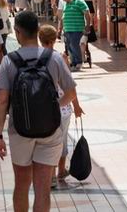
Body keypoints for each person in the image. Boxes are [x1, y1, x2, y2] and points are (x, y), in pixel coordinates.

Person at [0, 11, 77, 212]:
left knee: (22, 185)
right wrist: (53, 106)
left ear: (17, 32)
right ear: (37, 31)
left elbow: (2, 100)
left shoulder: (9, 61)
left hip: (19, 130)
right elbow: (71, 93)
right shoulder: (54, 58)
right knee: (43, 190)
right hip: (50, 130)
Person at [37, 25, 85, 189]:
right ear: (53, 40)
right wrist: (76, 106)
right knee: (61, 141)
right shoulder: (60, 58)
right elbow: (69, 86)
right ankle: (58, 172)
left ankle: (53, 173)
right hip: (61, 108)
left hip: (42, 107)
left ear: (40, 39)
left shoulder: (34, 58)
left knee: (47, 142)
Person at [58, 0, 91, 71]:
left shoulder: (79, 2)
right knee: (69, 47)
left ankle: (79, 62)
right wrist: (62, 28)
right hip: (68, 29)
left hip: (77, 29)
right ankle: (74, 63)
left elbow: (87, 13)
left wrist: (87, 26)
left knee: (74, 45)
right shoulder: (66, 4)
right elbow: (63, 17)